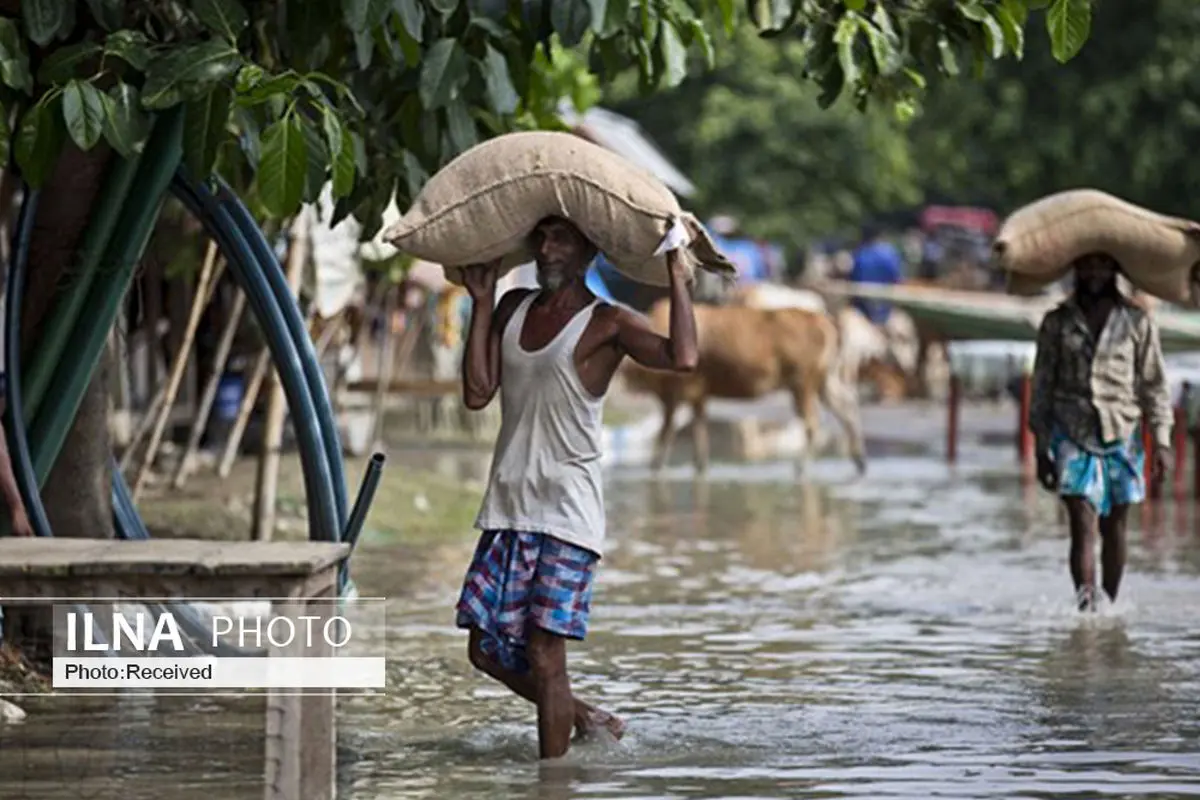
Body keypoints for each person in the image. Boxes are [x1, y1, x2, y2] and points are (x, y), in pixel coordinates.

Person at [455, 215, 699, 759]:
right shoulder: (511, 309)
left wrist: (677, 274)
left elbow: (683, 358)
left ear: (589, 249)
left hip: (567, 511)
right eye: (541, 238)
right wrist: (480, 299)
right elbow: (476, 394)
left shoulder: (608, 322)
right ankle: (586, 716)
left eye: (560, 238)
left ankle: (553, 781)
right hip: (508, 506)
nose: (546, 249)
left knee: (545, 656)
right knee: (484, 651)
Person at [1028, 252, 1172, 612]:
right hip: (1070, 430)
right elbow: (1041, 385)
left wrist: (1163, 441)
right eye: (1087, 266)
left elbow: (1153, 384)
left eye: (1103, 266)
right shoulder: (1057, 322)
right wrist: (1040, 446)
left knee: (1115, 526)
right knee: (1081, 521)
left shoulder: (1136, 321)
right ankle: (1087, 611)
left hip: (1122, 431)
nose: (1095, 273)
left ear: (1116, 271)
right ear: (1075, 270)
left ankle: (1109, 603)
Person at [848, 224, 904, 326]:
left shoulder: (859, 253)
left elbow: (853, 277)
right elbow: (897, 278)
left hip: (863, 306)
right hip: (886, 305)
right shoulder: (890, 252)